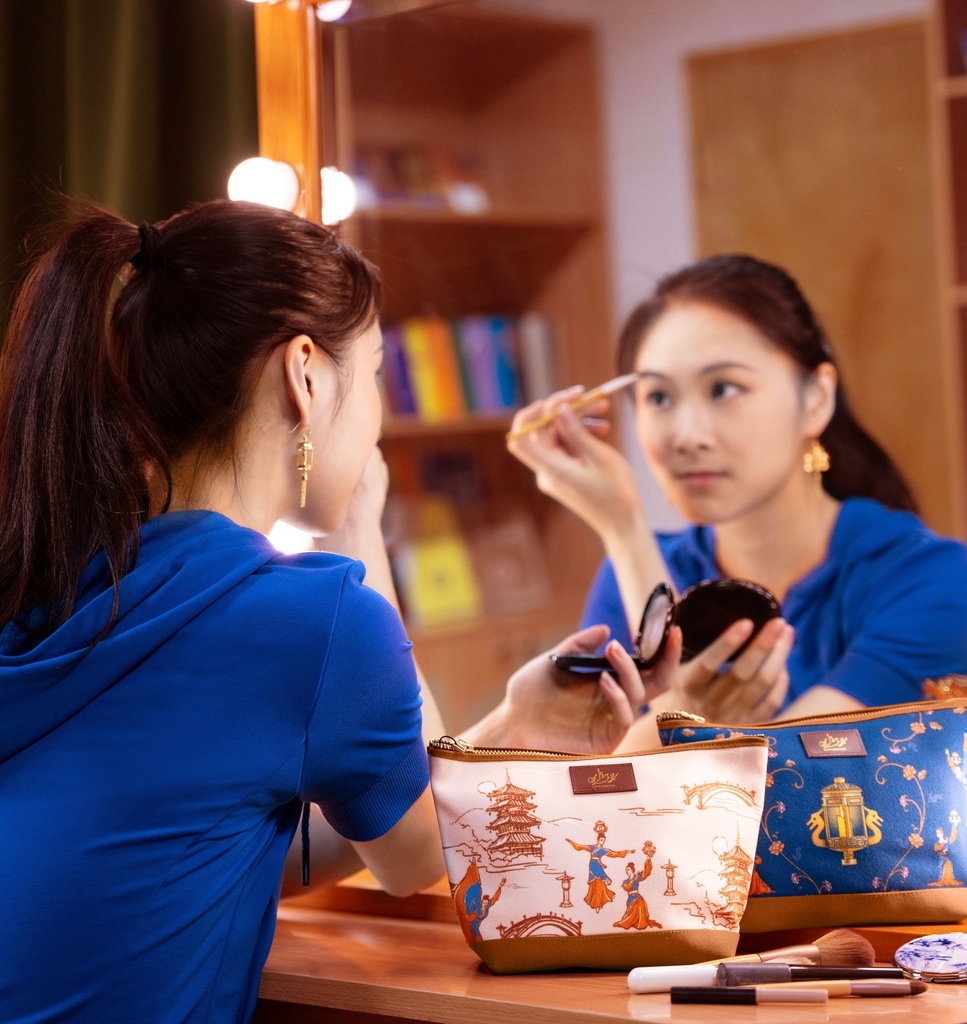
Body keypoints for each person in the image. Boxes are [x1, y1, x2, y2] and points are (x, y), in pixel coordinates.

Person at [0, 200, 668, 1024]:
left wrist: (513, 727)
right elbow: (411, 860)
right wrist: (358, 535)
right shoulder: (304, 620)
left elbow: (190, 841)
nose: (378, 415)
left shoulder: (55, 577)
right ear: (306, 376)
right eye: (377, 372)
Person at [508, 255, 967, 745]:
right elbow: (597, 779)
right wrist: (624, 533)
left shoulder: (932, 580)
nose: (687, 435)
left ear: (816, 399)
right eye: (659, 398)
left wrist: (684, 718)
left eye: (723, 389)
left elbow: (797, 770)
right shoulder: (629, 574)